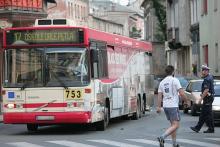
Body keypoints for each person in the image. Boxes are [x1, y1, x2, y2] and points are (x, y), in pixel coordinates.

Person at [157, 65, 187, 147]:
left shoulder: (162, 82)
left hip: (166, 106)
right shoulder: (175, 80)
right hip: (173, 105)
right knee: (176, 125)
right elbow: (181, 93)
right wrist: (186, 101)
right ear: (173, 72)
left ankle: (174, 144)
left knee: (173, 125)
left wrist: (158, 107)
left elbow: (159, 96)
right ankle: (162, 137)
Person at [190, 65, 215, 133]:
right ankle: (206, 128)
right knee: (206, 114)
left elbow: (206, 90)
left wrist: (201, 98)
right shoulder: (210, 77)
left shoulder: (207, 79)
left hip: (208, 98)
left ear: (206, 71)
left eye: (203, 71)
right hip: (209, 97)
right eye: (202, 71)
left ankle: (201, 128)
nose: (202, 73)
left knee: (205, 114)